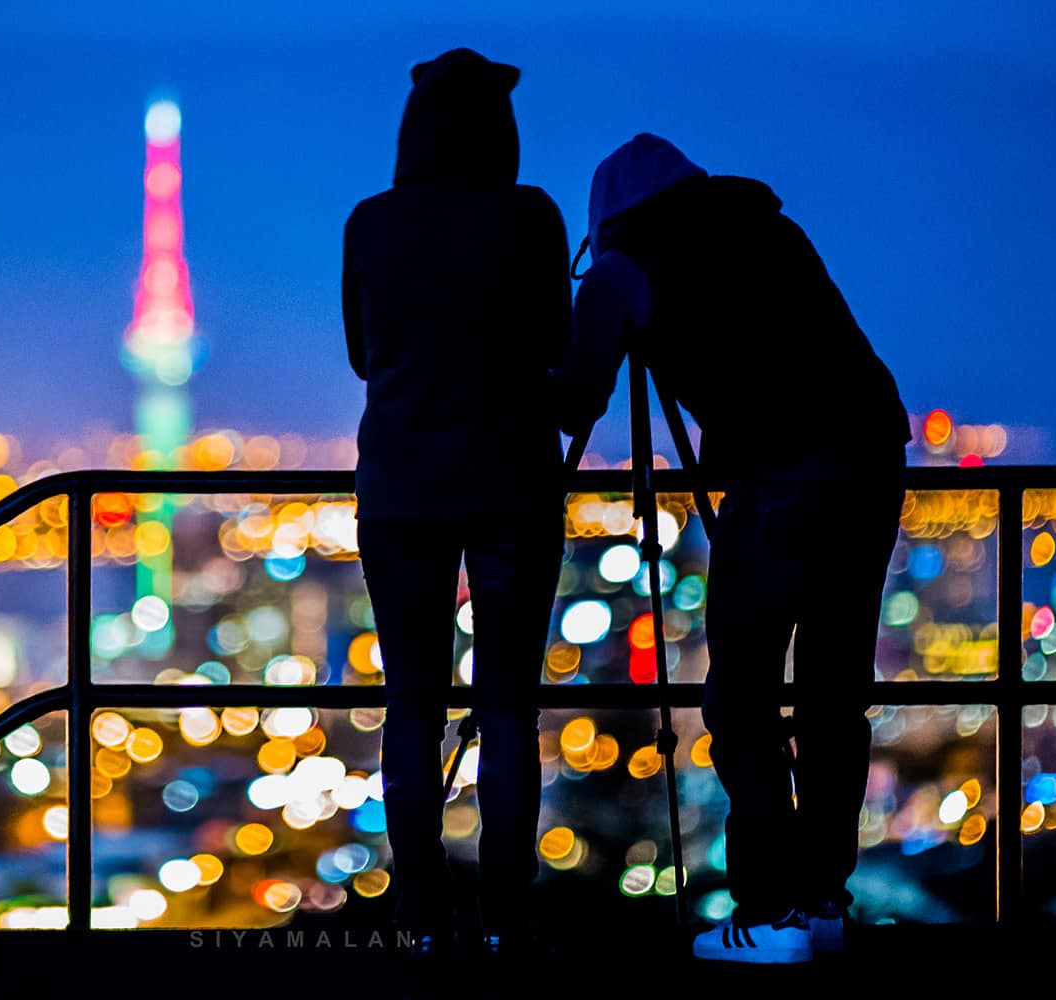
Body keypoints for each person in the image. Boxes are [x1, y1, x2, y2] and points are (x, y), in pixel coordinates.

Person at [552, 134, 911, 964]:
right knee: (830, 699)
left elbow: (575, 401)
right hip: (870, 462)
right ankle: (822, 902)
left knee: (741, 701)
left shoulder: (626, 269)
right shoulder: (766, 230)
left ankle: (768, 908)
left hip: (780, 477)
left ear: (608, 225)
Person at [342, 48, 571, 958]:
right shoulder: (531, 216)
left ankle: (421, 910)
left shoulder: (372, 222)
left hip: (399, 486)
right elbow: (557, 343)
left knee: (412, 702)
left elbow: (363, 355)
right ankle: (508, 914)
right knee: (510, 706)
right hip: (513, 480)